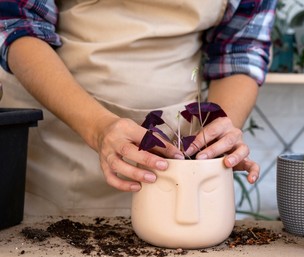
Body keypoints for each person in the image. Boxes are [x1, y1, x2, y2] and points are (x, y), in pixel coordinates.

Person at [0, 0, 277, 216]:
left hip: (175, 150)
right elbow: (17, 21)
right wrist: (97, 128)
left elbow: (240, 48)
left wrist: (216, 136)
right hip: (59, 140)